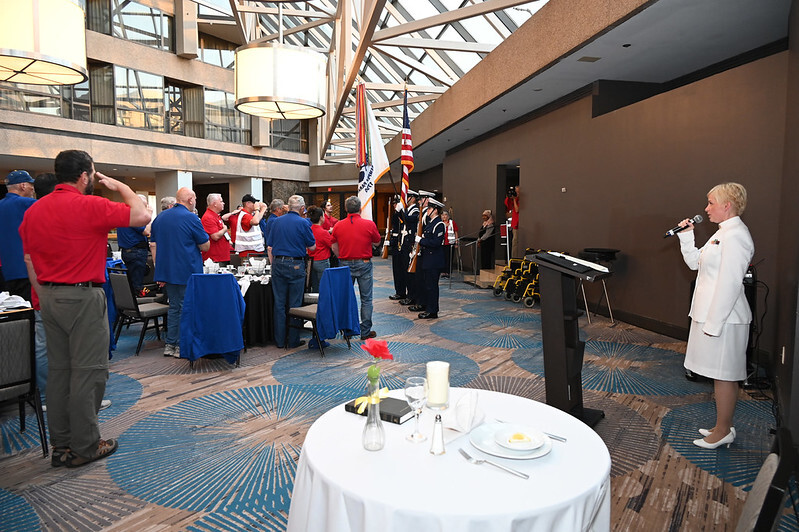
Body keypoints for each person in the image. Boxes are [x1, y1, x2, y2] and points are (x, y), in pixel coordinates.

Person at [20, 149, 150, 467]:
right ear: (83, 176)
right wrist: (121, 186)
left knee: (59, 373)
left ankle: (62, 445)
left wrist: (43, 295)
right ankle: (86, 445)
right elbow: (142, 216)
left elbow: (29, 259)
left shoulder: (34, 211)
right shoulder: (89, 205)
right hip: (82, 297)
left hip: (48, 297)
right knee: (88, 373)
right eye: (92, 173)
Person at [675, 182, 754, 449]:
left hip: (725, 319)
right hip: (712, 316)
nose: (706, 208)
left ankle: (722, 431)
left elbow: (730, 284)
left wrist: (714, 323)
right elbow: (695, 263)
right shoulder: (722, 233)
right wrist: (687, 236)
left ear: (726, 205)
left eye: (711, 203)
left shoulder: (737, 236)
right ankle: (722, 425)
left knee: (725, 375)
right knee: (719, 374)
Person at [150, 187, 210, 358]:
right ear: (190, 200)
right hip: (187, 270)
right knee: (186, 308)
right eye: (195, 199)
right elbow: (205, 245)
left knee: (174, 307)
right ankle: (182, 345)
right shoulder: (191, 218)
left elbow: (153, 244)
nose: (196, 202)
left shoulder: (160, 218)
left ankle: (170, 344)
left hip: (167, 271)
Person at [267, 195, 315, 348]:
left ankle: (280, 340)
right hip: (295, 264)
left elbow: (270, 245)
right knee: (295, 304)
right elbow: (312, 246)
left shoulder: (276, 221)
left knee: (279, 303)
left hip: (278, 263)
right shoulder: (303, 222)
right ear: (302, 208)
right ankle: (293, 340)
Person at [331, 196, 382, 339]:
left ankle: (347, 330)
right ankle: (365, 331)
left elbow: (333, 246)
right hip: (364, 262)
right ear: (360, 209)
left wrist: (341, 256)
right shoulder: (369, 224)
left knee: (346, 298)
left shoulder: (338, 225)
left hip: (345, 263)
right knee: (366, 299)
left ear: (345, 209)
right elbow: (377, 242)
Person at [0, 170, 37, 301]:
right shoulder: (29, 204)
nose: (32, 188)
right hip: (26, 270)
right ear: (23, 185)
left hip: (5, 271)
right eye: (31, 184)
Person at [116, 195, 153, 294]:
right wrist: (149, 215)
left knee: (132, 279)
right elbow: (146, 231)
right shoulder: (133, 215)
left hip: (127, 251)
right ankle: (138, 298)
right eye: (144, 206)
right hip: (136, 251)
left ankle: (133, 297)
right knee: (137, 282)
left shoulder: (123, 213)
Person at [416, 199, 446, 319]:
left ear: (435, 210)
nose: (427, 211)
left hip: (434, 260)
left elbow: (436, 243)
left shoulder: (439, 224)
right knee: (427, 285)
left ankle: (432, 311)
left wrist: (421, 240)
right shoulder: (430, 223)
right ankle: (428, 307)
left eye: (429, 209)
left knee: (432, 286)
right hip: (427, 259)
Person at [398, 190, 420, 306]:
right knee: (405, 271)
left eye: (408, 197)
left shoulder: (415, 210)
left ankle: (412, 296)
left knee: (410, 272)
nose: (406, 199)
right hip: (404, 242)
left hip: (409, 243)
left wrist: (401, 211)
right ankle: (409, 295)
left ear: (413, 198)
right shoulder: (408, 210)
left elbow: (408, 220)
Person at [201, 193, 234, 265]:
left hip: (221, 256)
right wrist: (224, 229)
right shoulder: (209, 217)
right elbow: (215, 236)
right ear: (215, 204)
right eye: (221, 201)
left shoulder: (216, 216)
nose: (223, 203)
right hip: (215, 259)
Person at [307, 205, 334, 293]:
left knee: (315, 286)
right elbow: (332, 245)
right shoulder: (323, 232)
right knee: (324, 285)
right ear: (321, 218)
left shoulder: (309, 230)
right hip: (322, 260)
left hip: (311, 261)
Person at [388, 195, 405, 300]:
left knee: (400, 270)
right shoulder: (395, 214)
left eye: (396, 203)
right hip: (395, 244)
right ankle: (399, 291)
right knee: (396, 270)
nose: (394, 205)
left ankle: (401, 292)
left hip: (400, 244)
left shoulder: (401, 214)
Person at [441, 210, 459, 278]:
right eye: (443, 215)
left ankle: (448, 272)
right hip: (442, 243)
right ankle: (443, 272)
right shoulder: (440, 223)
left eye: (445, 215)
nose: (444, 216)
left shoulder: (452, 223)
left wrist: (456, 242)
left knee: (449, 258)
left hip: (450, 243)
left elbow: (456, 232)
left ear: (448, 216)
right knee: (442, 258)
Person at [504, 185, 520, 258]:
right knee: (514, 242)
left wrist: (514, 200)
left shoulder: (519, 201)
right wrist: (510, 197)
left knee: (515, 242)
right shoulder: (514, 200)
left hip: (518, 224)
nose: (516, 193)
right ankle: (513, 259)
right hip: (514, 225)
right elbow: (508, 207)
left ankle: (515, 259)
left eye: (517, 192)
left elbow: (517, 210)